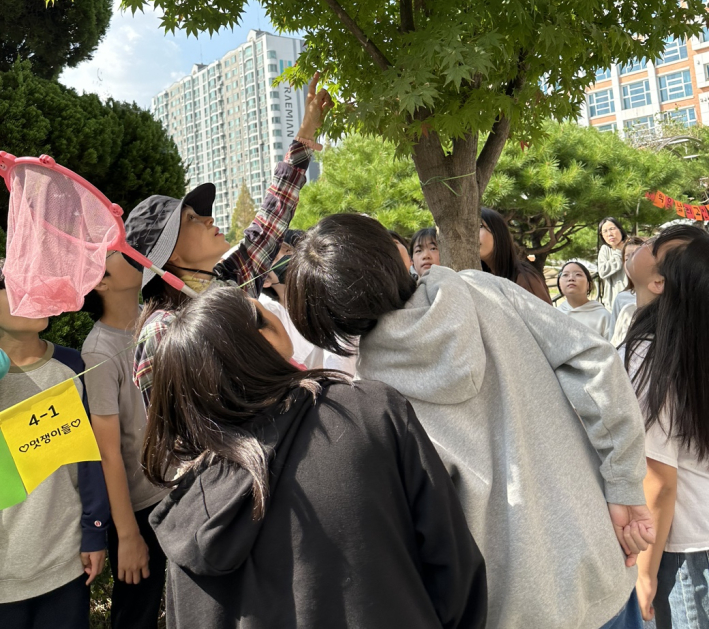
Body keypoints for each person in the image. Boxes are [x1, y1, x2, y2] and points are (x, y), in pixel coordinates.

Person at [286, 213, 654, 629]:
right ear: (395, 251)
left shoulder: (373, 396)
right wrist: (624, 484)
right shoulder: (482, 289)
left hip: (508, 606)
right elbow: (594, 360)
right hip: (598, 558)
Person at [142, 285, 487, 629]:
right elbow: (453, 565)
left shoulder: (185, 517)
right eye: (262, 314)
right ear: (261, 340)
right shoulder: (365, 411)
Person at [128, 73, 332, 408]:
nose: (209, 218)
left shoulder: (232, 281)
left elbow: (273, 213)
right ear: (171, 255)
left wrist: (307, 129)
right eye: (191, 219)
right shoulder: (161, 332)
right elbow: (173, 432)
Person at [0, 260, 109, 629]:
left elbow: (87, 460)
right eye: (16, 286)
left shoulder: (70, 365)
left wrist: (95, 530)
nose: (34, 294)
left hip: (62, 564)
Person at [622, 226, 709, 628]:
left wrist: (644, 571)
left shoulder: (650, 352)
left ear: (658, 282)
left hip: (680, 548)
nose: (641, 244)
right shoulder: (688, 346)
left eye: (651, 246)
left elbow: (658, 478)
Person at [80, 251, 167, 629]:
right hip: (142, 508)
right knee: (137, 612)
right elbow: (107, 452)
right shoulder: (98, 350)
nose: (135, 255)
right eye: (119, 256)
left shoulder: (159, 320)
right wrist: (128, 534)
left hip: (179, 488)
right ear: (100, 282)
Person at [259, 241, 357, 375]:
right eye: (275, 258)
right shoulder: (273, 316)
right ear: (265, 280)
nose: (288, 258)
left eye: (288, 251)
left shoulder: (330, 292)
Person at [480, 207, 552, 302]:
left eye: (480, 226)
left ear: (498, 233)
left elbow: (544, 316)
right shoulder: (484, 276)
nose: (470, 233)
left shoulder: (525, 278)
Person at [555, 260, 610, 338]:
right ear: (559, 285)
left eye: (578, 274)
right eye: (565, 275)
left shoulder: (603, 316)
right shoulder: (555, 314)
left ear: (589, 284)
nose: (571, 278)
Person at [610, 237, 645, 346]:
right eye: (627, 258)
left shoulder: (662, 294)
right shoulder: (621, 298)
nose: (631, 261)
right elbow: (614, 337)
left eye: (637, 256)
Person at [598, 217, 628, 312]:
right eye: (605, 231)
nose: (609, 234)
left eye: (612, 229)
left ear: (620, 229)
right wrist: (618, 252)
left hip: (633, 299)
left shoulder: (631, 247)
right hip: (613, 304)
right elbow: (602, 272)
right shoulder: (605, 250)